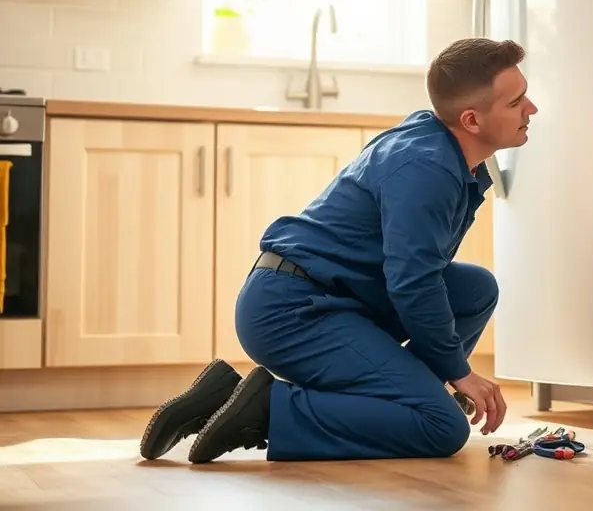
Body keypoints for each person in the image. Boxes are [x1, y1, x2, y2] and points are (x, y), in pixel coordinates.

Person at [138, 37, 537, 464]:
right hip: (292, 313)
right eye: (517, 102)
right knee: (442, 427)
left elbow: (420, 277)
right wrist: (459, 374)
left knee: (475, 288)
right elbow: (414, 284)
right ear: (472, 120)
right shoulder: (428, 168)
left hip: (329, 298)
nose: (531, 109)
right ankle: (268, 410)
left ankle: (232, 396)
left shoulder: (440, 144)